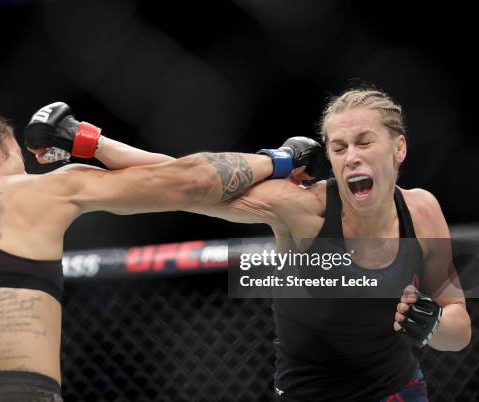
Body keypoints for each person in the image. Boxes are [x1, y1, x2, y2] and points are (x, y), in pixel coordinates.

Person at [0, 96, 315, 401]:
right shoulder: (41, 191)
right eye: (14, 155)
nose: (23, 168)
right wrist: (279, 159)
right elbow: (192, 180)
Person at [71, 88, 472, 401]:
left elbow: (459, 328)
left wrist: (433, 325)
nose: (351, 157)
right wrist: (90, 141)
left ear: (398, 148)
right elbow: (183, 181)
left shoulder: (420, 210)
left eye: (364, 142)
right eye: (338, 147)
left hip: (396, 392)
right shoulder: (304, 209)